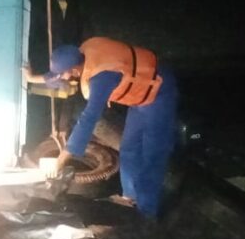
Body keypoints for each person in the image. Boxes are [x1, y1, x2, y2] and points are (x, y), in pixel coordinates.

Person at [27, 37, 179, 219]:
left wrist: (61, 160)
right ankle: (129, 198)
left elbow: (88, 119)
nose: (63, 78)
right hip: (139, 95)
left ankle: (146, 213)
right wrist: (31, 78)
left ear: (74, 70)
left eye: (64, 74)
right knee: (129, 148)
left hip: (159, 92)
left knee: (152, 154)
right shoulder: (81, 54)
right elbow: (57, 76)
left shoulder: (102, 78)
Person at [27, 0, 92, 146]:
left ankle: (61, 146)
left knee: (65, 115)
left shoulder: (77, 6)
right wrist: (39, 66)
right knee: (41, 116)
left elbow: (85, 35)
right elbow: (31, 38)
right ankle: (36, 149)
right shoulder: (39, 4)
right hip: (44, 67)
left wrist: (80, 62)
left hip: (70, 70)